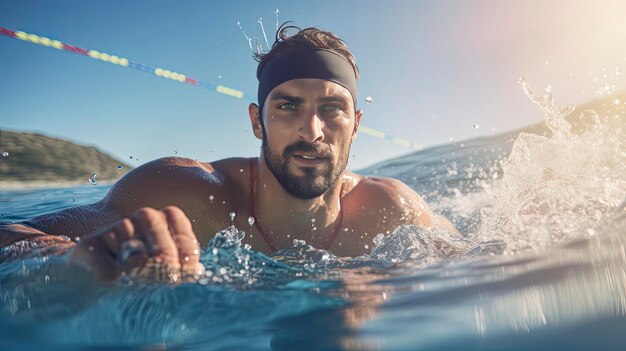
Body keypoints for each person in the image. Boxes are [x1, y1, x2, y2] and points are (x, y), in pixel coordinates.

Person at [0, 25, 458, 282]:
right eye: (288, 106)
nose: (311, 130)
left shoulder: (390, 209)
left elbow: (470, 254)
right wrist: (80, 257)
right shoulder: (187, 194)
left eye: (332, 109)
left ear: (355, 125)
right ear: (257, 121)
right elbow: (11, 236)